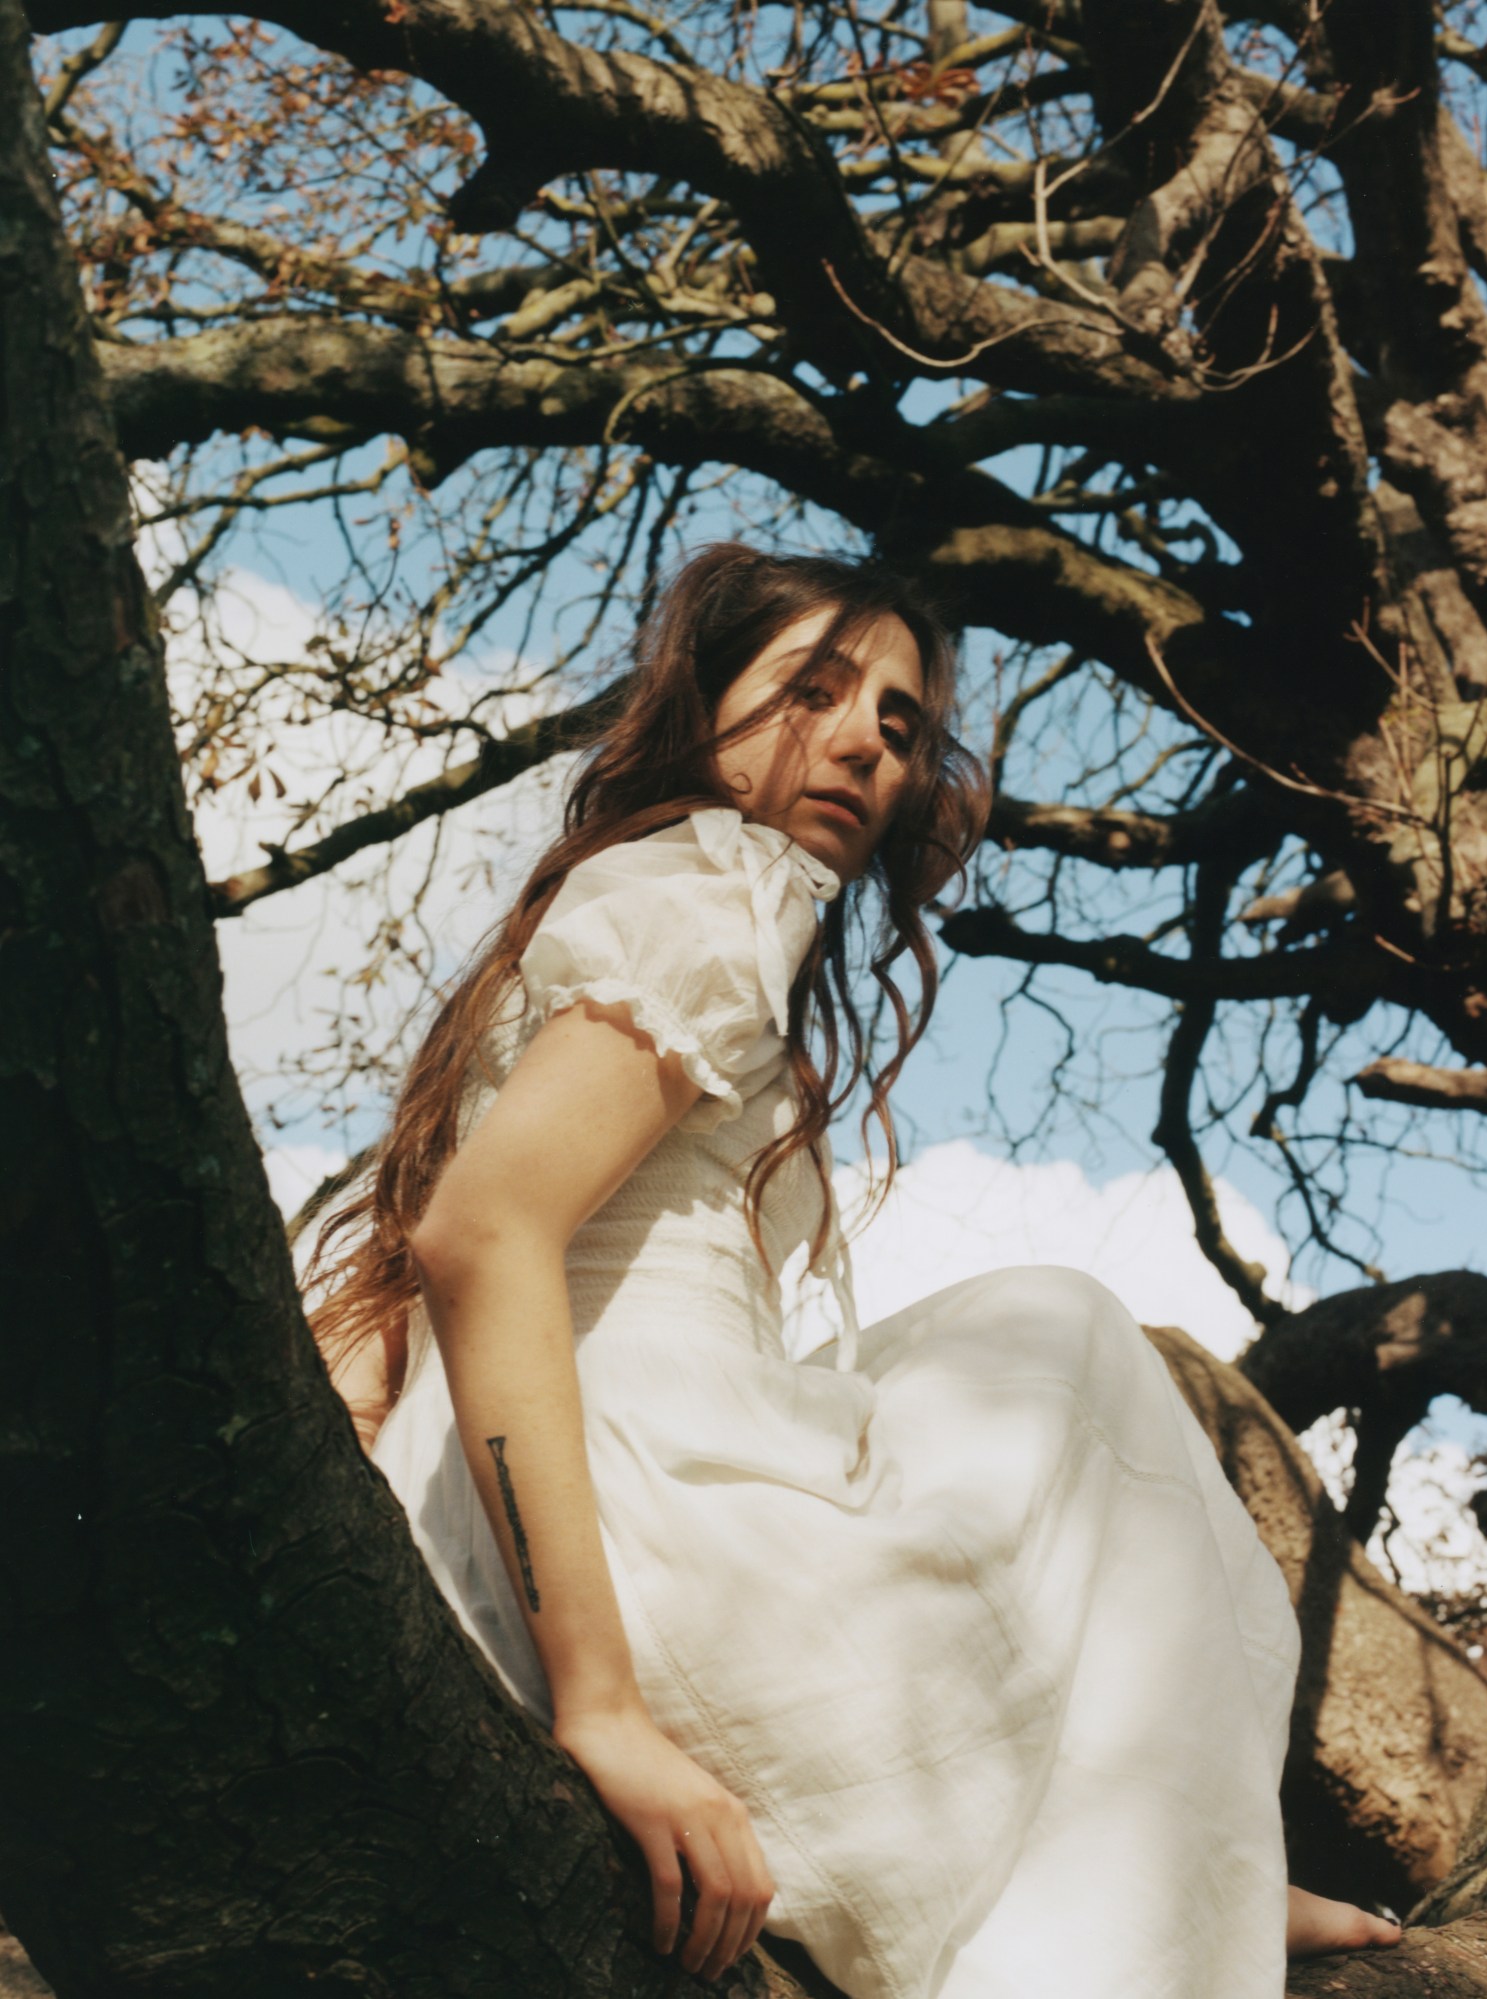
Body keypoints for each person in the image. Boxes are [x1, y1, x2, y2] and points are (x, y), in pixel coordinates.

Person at [304, 540, 1405, 1999]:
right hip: (643, 1553)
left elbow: (379, 1313)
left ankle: (1189, 1882)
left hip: (510, 1546)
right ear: (699, 708)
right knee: (1064, 1343)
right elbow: (476, 1238)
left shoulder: (594, 919)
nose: (863, 743)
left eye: (899, 722)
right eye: (812, 690)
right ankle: (1187, 1887)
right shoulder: (718, 886)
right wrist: (605, 1707)